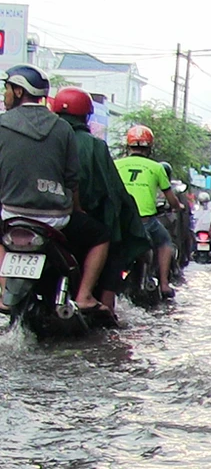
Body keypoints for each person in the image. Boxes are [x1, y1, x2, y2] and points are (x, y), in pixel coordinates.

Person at [0, 65, 111, 313]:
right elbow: (72, 179)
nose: (5, 94)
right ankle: (83, 296)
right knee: (101, 236)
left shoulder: (2, 124)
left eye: (7, 88)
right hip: (55, 220)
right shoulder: (62, 128)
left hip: (10, 215)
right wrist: (77, 210)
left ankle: (3, 289)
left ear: (18, 91)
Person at [50, 87, 149, 312]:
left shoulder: (46, 138)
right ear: (86, 115)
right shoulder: (94, 145)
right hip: (77, 218)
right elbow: (112, 192)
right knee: (113, 240)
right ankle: (104, 304)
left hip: (31, 214)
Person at [114, 124, 183, 299]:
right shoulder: (157, 168)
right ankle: (165, 284)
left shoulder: (116, 164)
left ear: (128, 146)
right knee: (166, 242)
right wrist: (177, 207)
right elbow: (170, 197)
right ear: (149, 147)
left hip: (120, 220)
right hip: (145, 220)